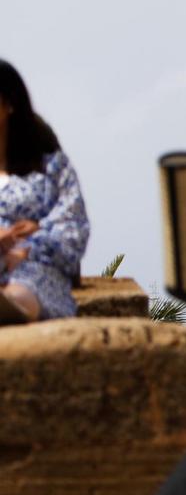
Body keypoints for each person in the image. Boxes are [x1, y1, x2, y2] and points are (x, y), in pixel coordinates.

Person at [0, 60, 90, 325]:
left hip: (32, 266)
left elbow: (72, 226)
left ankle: (11, 307)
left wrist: (28, 247)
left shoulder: (51, 169)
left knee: (23, 290)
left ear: (8, 105)